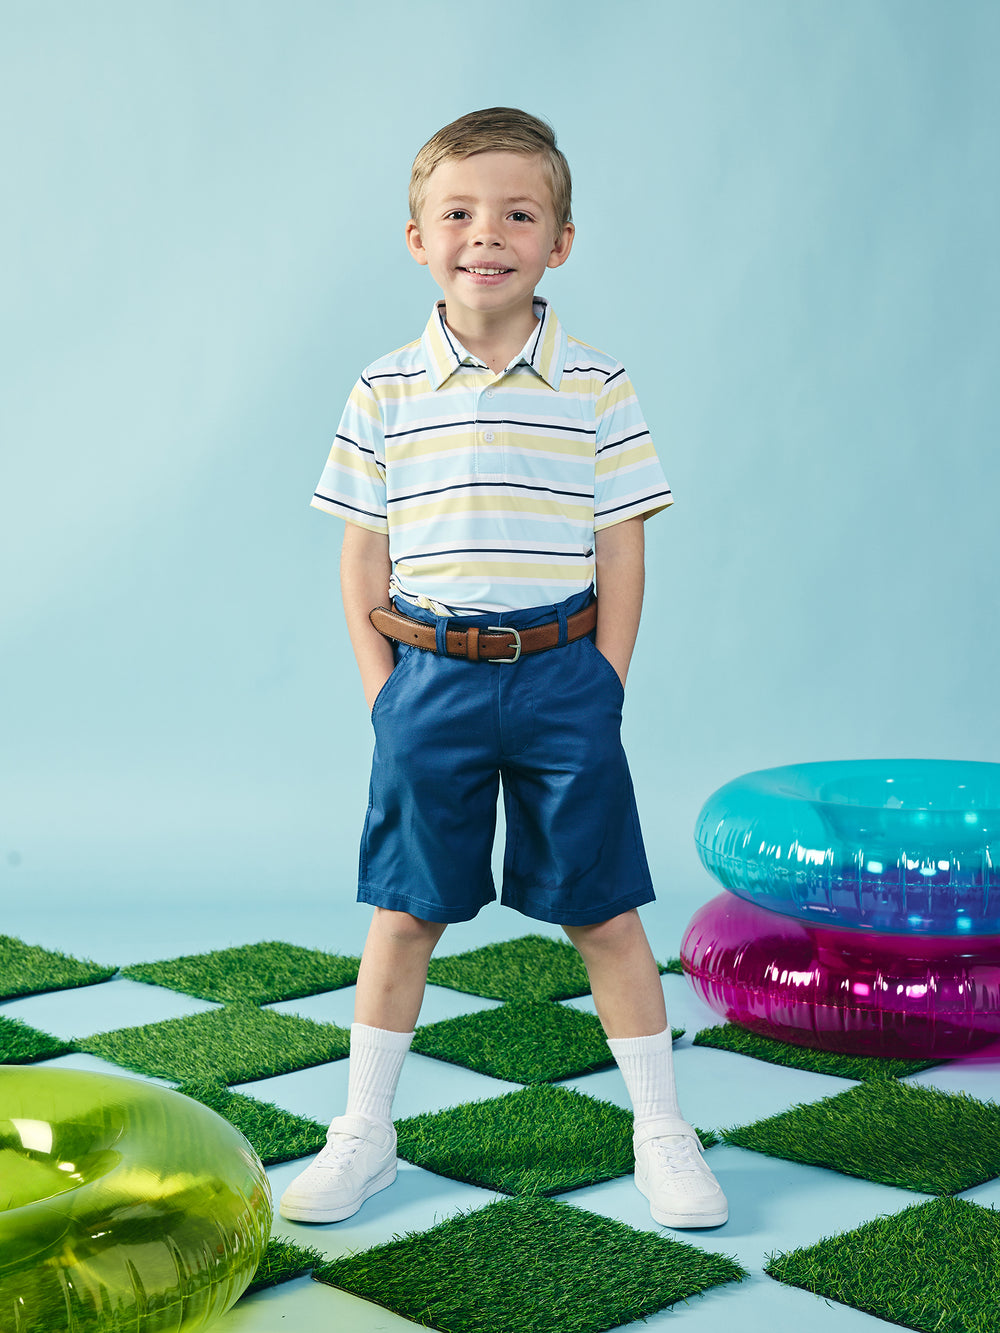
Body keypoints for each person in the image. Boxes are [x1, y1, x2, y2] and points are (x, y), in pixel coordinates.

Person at [280, 107, 727, 1231]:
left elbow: (623, 543)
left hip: (562, 676)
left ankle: (660, 1129)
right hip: (427, 680)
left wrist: (604, 679)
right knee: (404, 910)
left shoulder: (596, 383)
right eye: (459, 213)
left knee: (605, 910)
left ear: (559, 242)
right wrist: (384, 691)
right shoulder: (385, 387)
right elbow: (363, 551)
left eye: (519, 214)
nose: (487, 234)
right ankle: (364, 1132)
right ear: (417, 238)